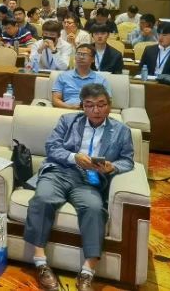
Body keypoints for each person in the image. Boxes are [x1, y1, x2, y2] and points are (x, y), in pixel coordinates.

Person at [26, 83, 134, 291]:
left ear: (109, 105)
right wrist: (73, 157)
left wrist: (112, 167)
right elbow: (52, 147)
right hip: (60, 171)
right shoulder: (68, 121)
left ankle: (87, 271)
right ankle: (40, 263)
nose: (96, 110)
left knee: (94, 209)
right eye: (90, 105)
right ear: (82, 107)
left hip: (90, 180)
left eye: (101, 104)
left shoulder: (121, 131)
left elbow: (127, 161)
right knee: (42, 199)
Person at [51, 44, 111, 109]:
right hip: (68, 109)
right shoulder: (63, 76)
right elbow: (55, 100)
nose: (81, 57)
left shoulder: (101, 80)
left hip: (92, 111)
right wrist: (70, 107)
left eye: (85, 54)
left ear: (93, 59)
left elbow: (107, 103)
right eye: (78, 54)